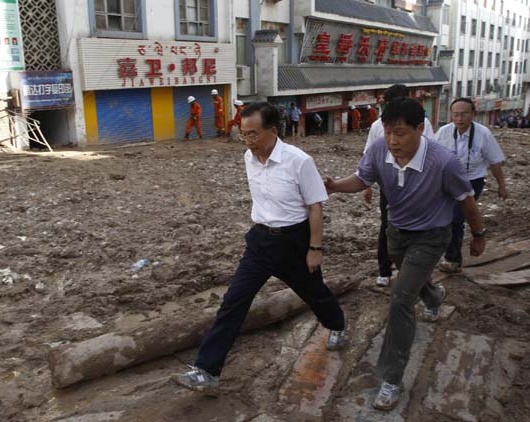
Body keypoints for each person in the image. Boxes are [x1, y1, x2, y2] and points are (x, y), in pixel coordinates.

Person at [172, 102, 347, 397]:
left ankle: (337, 325)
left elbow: (315, 206)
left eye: (253, 134)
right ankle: (207, 370)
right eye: (244, 134)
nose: (248, 140)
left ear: (273, 131)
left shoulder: (299, 161)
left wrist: (315, 247)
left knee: (315, 293)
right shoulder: (248, 158)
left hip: (294, 242)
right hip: (259, 242)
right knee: (233, 301)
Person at [324, 97, 486, 410]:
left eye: (401, 133)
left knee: (400, 297)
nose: (393, 140)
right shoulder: (378, 150)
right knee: (413, 281)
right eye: (388, 132)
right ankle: (434, 297)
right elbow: (362, 179)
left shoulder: (443, 161)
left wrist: (478, 235)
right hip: (396, 234)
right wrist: (334, 185)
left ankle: (391, 379)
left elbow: (467, 202)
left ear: (420, 129)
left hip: (432, 236)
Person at [362, 84, 436, 287]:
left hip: (417, 185)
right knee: (388, 226)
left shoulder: (421, 124)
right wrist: (367, 185)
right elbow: (369, 156)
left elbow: (432, 151)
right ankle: (385, 271)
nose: (393, 140)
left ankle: (413, 271)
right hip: (390, 185)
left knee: (417, 228)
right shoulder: (379, 125)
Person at [435, 97, 507, 273]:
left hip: (472, 181)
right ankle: (445, 250)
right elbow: (432, 157)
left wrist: (501, 185)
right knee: (443, 217)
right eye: (455, 115)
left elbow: (495, 162)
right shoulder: (444, 132)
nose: (459, 119)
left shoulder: (483, 134)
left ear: (473, 114)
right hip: (448, 181)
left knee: (457, 217)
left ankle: (453, 259)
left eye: (463, 115)